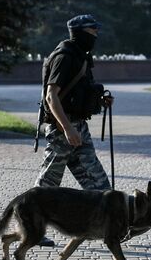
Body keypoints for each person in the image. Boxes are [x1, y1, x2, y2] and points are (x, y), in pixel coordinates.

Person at [34, 14, 114, 247]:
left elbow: (79, 91)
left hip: (79, 127)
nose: (96, 36)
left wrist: (100, 100)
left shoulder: (82, 56)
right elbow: (51, 96)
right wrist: (67, 129)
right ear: (80, 32)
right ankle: (34, 230)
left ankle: (110, 228)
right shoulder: (64, 56)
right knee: (48, 185)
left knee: (100, 187)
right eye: (92, 32)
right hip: (63, 130)